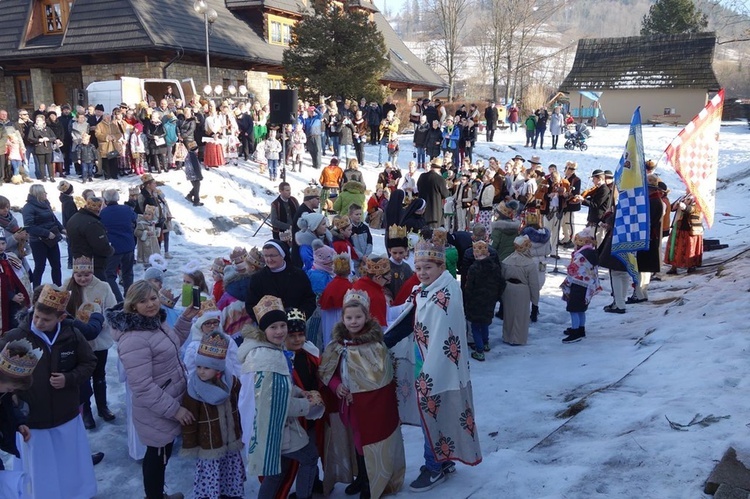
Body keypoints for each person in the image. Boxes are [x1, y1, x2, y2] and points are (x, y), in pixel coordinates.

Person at [384, 235, 482, 491]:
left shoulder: (445, 294)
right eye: (418, 268)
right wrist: (384, 341)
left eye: (428, 267)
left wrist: (429, 373)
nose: (422, 273)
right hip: (423, 359)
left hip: (439, 367)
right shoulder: (426, 292)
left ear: (441, 267)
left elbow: (443, 334)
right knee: (438, 412)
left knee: (433, 411)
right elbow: (409, 319)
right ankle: (444, 459)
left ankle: (434, 465)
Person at [0, 284, 97, 499]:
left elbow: (89, 362)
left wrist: (69, 378)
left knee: (69, 465)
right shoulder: (16, 336)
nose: (39, 322)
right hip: (34, 420)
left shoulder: (71, 334)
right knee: (40, 472)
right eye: (36, 316)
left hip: (67, 415)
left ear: (60, 318)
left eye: (46, 319)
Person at [109, 280, 199, 499]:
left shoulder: (154, 322)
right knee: (157, 456)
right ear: (132, 306)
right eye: (142, 301)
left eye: (153, 298)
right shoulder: (133, 338)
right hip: (157, 409)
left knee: (163, 453)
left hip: (168, 399)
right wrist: (175, 410)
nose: (150, 304)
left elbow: (173, 343)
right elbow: (142, 386)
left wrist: (186, 318)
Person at [319, 290, 405, 498]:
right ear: (343, 319)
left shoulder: (375, 346)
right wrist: (337, 386)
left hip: (369, 407)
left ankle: (370, 481)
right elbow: (328, 371)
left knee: (365, 440)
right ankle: (361, 477)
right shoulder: (336, 344)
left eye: (358, 317)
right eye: (349, 318)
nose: (354, 321)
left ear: (367, 317)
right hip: (346, 404)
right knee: (354, 439)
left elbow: (380, 378)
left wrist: (359, 394)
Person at [239, 296, 324, 499]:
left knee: (276, 471)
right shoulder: (267, 359)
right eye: (273, 327)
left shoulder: (268, 350)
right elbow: (277, 404)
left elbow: (279, 389)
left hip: (268, 425)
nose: (280, 332)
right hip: (275, 426)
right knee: (310, 457)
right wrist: (307, 403)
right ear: (263, 330)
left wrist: (297, 392)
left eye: (282, 325)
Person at [182, 331, 246, 499]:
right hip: (209, 444)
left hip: (231, 440)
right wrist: (190, 442)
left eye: (206, 367)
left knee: (229, 470)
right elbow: (190, 420)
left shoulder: (231, 383)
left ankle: (231, 492)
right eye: (198, 367)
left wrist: (242, 430)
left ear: (218, 369)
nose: (201, 371)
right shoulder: (194, 389)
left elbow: (241, 406)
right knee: (211, 475)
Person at [63, 256, 117, 429]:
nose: (83, 278)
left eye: (86, 274)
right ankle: (86, 410)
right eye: (78, 275)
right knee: (82, 377)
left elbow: (111, 309)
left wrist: (102, 323)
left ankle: (102, 406)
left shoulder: (103, 287)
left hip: (98, 339)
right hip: (77, 341)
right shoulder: (67, 286)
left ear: (92, 272)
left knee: (99, 374)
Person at [245, 240, 317, 320]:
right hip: (269, 328)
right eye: (266, 256)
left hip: (296, 327)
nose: (269, 259)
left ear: (282, 255)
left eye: (272, 255)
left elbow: (309, 299)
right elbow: (251, 305)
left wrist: (299, 317)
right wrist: (266, 323)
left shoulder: (298, 274)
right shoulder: (257, 278)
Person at [464, 240, 505, 360]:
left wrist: (468, 299)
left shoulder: (473, 268)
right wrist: (497, 296)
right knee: (485, 323)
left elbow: (469, 287)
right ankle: (486, 343)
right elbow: (502, 283)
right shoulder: (495, 267)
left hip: (475, 302)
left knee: (475, 326)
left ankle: (479, 350)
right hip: (490, 300)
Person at [561, 228, 602, 343]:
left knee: (573, 308)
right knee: (581, 308)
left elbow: (573, 270)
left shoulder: (581, 256)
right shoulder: (591, 253)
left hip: (579, 284)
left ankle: (575, 331)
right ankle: (581, 328)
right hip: (587, 284)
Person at [500, 236, 540, 346]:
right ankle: (518, 338)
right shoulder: (530, 264)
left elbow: (502, 277)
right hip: (522, 290)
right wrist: (535, 302)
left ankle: (507, 336)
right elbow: (534, 284)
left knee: (509, 314)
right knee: (520, 315)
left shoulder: (506, 261)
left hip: (508, 289)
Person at [22, 184, 65, 287]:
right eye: (43, 192)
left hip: (52, 239)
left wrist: (61, 228)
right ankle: (36, 290)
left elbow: (53, 218)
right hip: (38, 241)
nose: (46, 194)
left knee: (56, 265)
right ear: (38, 194)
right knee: (40, 267)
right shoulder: (28, 207)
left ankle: (58, 288)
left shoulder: (46, 203)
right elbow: (29, 226)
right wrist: (46, 233)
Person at [100, 188, 137, 303]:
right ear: (118, 198)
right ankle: (129, 297)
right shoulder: (126, 209)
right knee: (128, 273)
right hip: (128, 245)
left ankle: (118, 300)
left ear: (105, 200)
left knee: (109, 275)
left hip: (113, 248)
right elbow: (135, 218)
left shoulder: (103, 213)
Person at [65, 196, 114, 281]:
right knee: (98, 289)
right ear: (99, 209)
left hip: (79, 261)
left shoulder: (74, 218)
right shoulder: (92, 224)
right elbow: (101, 247)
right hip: (93, 264)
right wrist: (111, 250)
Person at [665, 193, 703, 275]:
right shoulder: (683, 197)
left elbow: (694, 209)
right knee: (674, 248)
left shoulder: (698, 199)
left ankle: (691, 265)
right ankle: (674, 266)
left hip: (689, 228)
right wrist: (675, 205)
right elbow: (672, 208)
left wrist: (685, 207)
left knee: (689, 248)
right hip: (678, 226)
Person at [0, 234, 30, 333]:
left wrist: (20, 292)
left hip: (15, 297)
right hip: (5, 299)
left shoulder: (11, 258)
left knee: (15, 323)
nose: (1, 247)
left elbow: (20, 278)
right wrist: (11, 296)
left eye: (3, 243)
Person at [351, 255, 391, 327]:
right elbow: (380, 326)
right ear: (378, 278)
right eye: (387, 277)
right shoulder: (375, 296)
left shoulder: (360, 284)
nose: (390, 277)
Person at [417, 159, 450, 228]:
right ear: (439, 169)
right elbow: (446, 194)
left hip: (423, 207)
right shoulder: (440, 179)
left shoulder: (422, 176)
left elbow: (418, 188)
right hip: (435, 209)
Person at [560, 161, 582, 248]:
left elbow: (575, 192)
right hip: (564, 203)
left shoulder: (576, 180)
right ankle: (565, 237)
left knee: (569, 222)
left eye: (571, 169)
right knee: (563, 222)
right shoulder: (565, 178)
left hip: (571, 204)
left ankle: (570, 239)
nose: (568, 170)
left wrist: (567, 195)